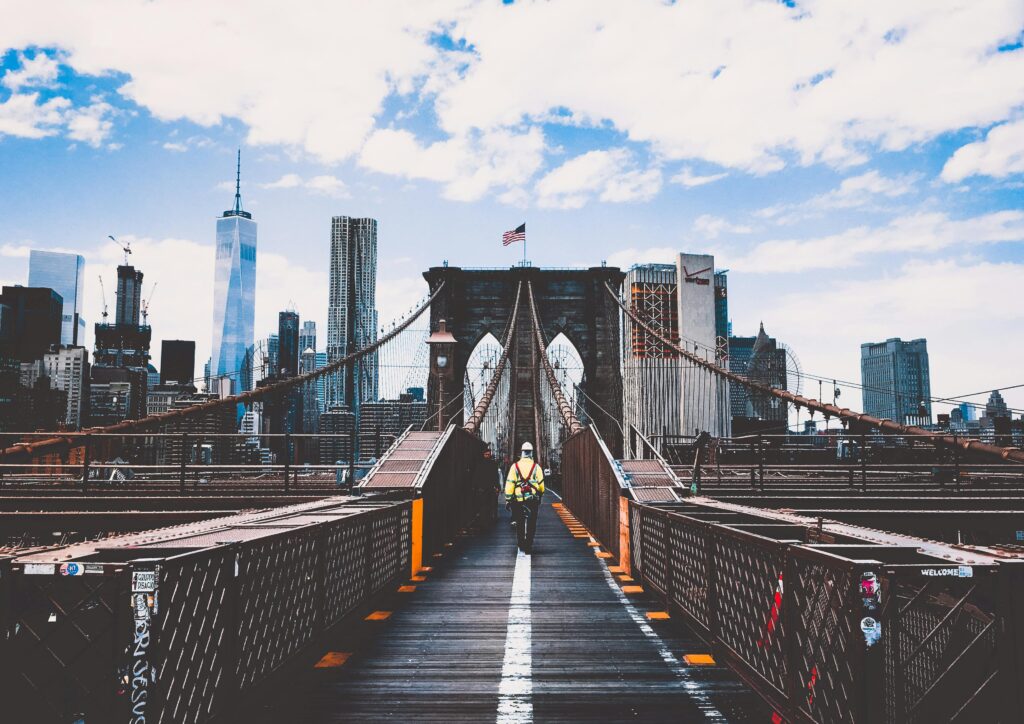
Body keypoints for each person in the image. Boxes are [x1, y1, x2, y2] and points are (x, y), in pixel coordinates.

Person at [505, 442, 545, 553]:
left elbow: (510, 483)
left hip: (518, 499)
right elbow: (541, 486)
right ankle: (529, 544)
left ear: (522, 453)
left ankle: (521, 543)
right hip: (532, 499)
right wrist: (540, 494)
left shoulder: (515, 466)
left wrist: (508, 499)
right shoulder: (536, 467)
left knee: (519, 521)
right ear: (532, 453)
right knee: (532, 522)